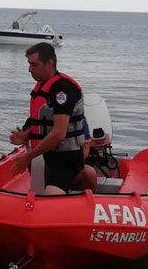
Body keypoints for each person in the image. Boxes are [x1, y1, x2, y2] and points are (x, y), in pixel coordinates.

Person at [9, 42, 93, 194]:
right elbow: (41, 118)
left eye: (34, 64)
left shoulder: (63, 90)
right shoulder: (42, 87)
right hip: (46, 155)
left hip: (66, 158)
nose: (29, 69)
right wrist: (26, 134)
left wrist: (28, 157)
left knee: (52, 195)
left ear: (50, 63)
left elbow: (59, 133)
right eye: (29, 64)